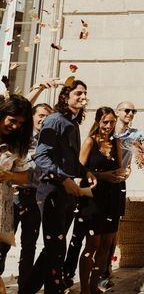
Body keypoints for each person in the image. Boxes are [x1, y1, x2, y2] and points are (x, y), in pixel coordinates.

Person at [26, 80, 97, 294]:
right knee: (55, 246)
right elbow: (41, 157)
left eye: (85, 93)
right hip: (51, 189)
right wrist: (64, 178)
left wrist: (85, 172)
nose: (83, 97)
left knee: (56, 248)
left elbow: (72, 160)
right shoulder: (54, 120)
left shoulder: (72, 123)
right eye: (78, 93)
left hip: (66, 192)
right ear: (65, 97)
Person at [0, 102, 52, 294]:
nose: (44, 119)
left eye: (48, 116)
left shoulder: (44, 143)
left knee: (28, 245)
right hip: (14, 198)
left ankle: (25, 288)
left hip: (27, 199)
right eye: (40, 115)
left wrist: (10, 176)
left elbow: (30, 175)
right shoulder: (21, 138)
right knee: (2, 248)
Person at [72, 107, 123, 294]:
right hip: (94, 199)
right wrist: (103, 176)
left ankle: (94, 286)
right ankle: (85, 288)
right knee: (92, 244)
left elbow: (119, 166)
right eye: (106, 122)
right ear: (98, 122)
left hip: (113, 197)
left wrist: (120, 175)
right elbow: (79, 169)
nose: (109, 126)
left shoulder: (116, 142)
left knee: (106, 244)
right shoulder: (89, 142)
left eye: (112, 122)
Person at [97, 101, 137, 291]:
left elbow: (140, 155)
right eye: (127, 110)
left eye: (133, 111)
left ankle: (106, 270)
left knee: (114, 228)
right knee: (99, 231)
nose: (130, 114)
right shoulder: (107, 133)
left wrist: (129, 170)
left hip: (119, 182)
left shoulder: (134, 135)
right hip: (102, 182)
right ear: (118, 112)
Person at [0, 95, 33, 294]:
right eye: (12, 120)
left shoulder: (16, 146)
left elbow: (26, 177)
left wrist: (8, 175)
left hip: (2, 215)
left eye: (21, 123)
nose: (15, 126)